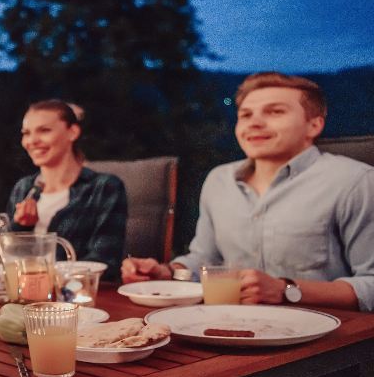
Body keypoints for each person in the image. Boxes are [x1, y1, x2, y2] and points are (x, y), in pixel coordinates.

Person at [122, 72, 374, 312]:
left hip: (325, 342)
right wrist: (167, 273)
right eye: (245, 115)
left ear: (314, 125)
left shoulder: (355, 182)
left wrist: (285, 290)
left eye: (275, 112)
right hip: (228, 327)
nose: (254, 122)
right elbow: (205, 260)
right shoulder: (219, 180)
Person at [6, 99, 127, 281]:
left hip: (78, 300)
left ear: (72, 132)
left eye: (44, 130)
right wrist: (22, 227)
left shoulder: (104, 187)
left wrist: (50, 280)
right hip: (26, 298)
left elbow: (104, 262)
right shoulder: (23, 188)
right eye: (26, 133)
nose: (32, 141)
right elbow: (5, 261)